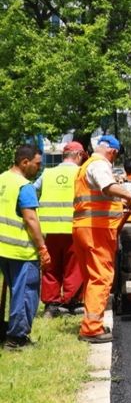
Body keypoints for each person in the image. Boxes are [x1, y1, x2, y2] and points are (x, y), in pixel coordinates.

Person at [73, 135, 131, 344]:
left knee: (92, 278)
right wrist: (130, 196)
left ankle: (92, 322)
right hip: (97, 231)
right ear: (113, 152)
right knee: (101, 277)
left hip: (84, 228)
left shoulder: (86, 165)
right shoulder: (100, 164)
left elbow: (101, 199)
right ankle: (92, 329)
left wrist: (121, 205)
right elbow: (107, 187)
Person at [0, 144, 51, 349]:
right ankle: (17, 338)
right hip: (21, 250)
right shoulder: (24, 186)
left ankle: (8, 332)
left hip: (2, 248)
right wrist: (42, 248)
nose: (39, 168)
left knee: (12, 292)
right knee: (25, 293)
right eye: (37, 164)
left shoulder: (2, 179)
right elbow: (30, 219)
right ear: (25, 162)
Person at [34, 141, 87, 317]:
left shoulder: (47, 173)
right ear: (79, 155)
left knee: (50, 267)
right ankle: (71, 303)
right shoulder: (81, 172)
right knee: (74, 267)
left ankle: (51, 305)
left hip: (49, 229)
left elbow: (32, 191)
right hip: (73, 228)